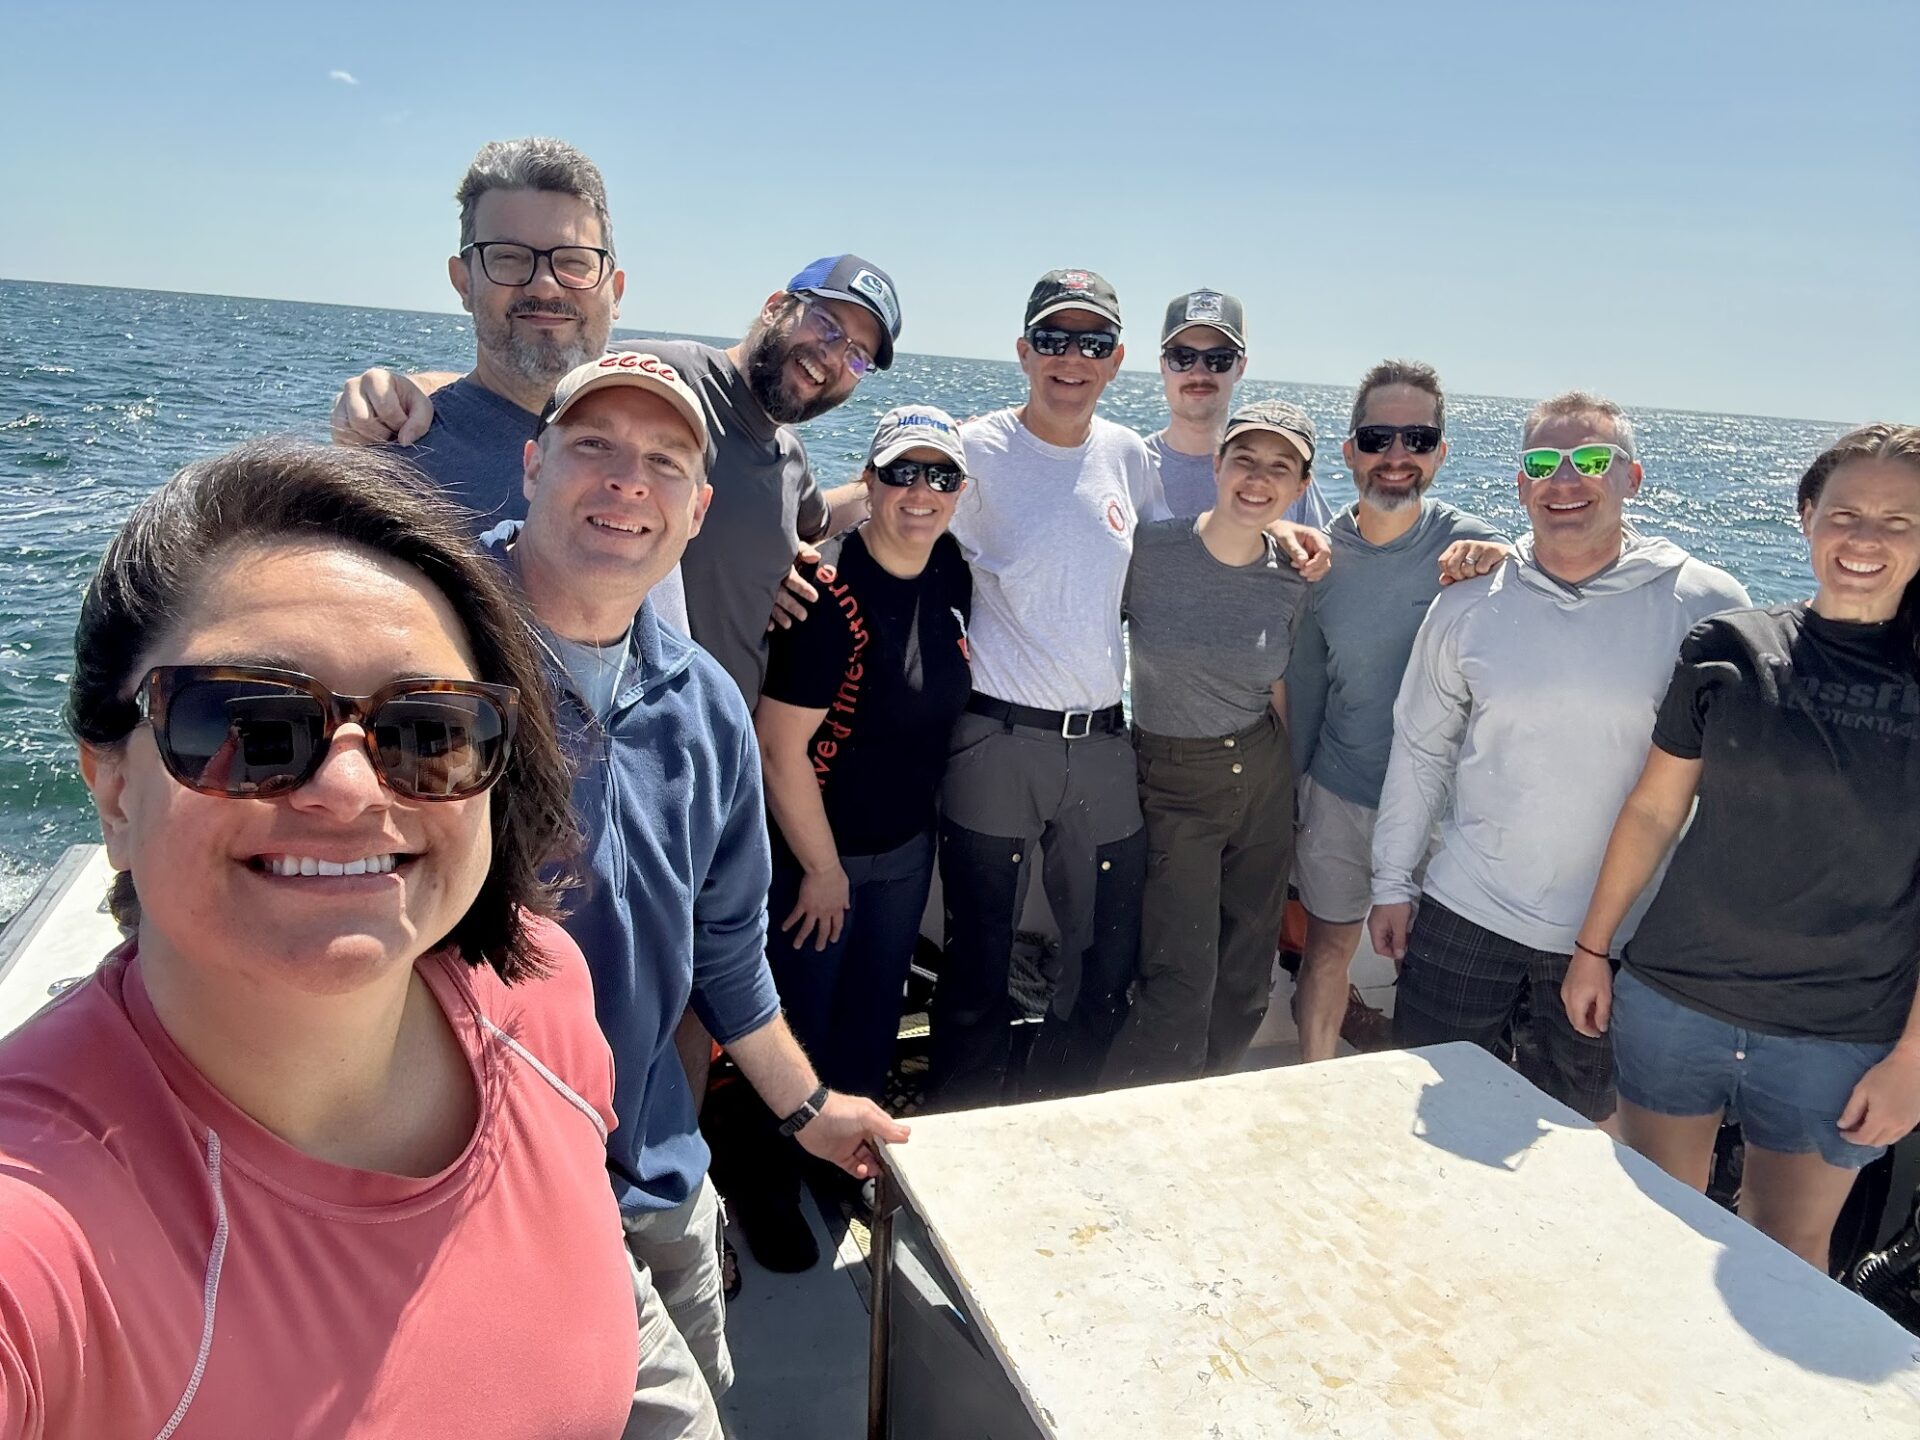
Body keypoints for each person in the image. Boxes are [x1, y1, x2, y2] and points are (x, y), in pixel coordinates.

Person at [0, 440, 665, 1436]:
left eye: (426, 731)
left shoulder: (542, 995)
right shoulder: (44, 1221)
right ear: (113, 789)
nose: (351, 791)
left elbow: (610, 1300)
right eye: (246, 722)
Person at [483, 354, 909, 1399]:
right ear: (533, 465)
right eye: (594, 447)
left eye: (665, 463)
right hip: (488, 1206)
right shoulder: (430, 666)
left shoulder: (707, 703)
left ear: (699, 508)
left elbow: (725, 953)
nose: (629, 482)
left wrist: (812, 1111)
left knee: (705, 1386)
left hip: (661, 1177)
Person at [931, 269, 1329, 1107]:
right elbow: (897, 501)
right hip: (999, 740)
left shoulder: (1124, 456)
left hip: (1107, 746)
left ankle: (1065, 1121)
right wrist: (803, 527)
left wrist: (1281, 524)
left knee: (1103, 967)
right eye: (1052, 339)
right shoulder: (975, 447)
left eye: (1090, 343)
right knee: (977, 964)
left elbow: (1186, 551)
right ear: (1023, 351)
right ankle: (954, 1141)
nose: (1070, 358)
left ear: (1114, 361)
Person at [1563, 423, 1920, 1270]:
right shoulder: (1727, 647)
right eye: (1846, 513)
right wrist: (1592, 949)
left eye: (1898, 522)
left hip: (1837, 1034)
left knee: (1785, 1254)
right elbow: (1653, 811)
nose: (1864, 539)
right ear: (1806, 517)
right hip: (1674, 1000)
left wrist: (1913, 1059)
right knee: (1651, 1229)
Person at [1367, 391, 1749, 1125]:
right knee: (1417, 1118)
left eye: (1592, 461)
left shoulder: (1705, 604)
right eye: (1543, 462)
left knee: (1584, 1140)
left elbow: (1732, 785)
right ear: (1519, 487)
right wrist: (1391, 880)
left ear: (1632, 478)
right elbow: (1421, 747)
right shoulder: (1467, 601)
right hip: (1464, 911)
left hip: (1619, 934)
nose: (1565, 480)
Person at [332, 251, 901, 702]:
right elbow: (530, 389)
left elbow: (820, 519)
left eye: (856, 356)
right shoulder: (671, 377)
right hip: (625, 719)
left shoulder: (790, 456)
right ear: (777, 306)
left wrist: (895, 480)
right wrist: (405, 394)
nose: (831, 357)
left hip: (716, 746)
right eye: (826, 326)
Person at [741, 404, 973, 1267]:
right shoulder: (824, 596)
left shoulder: (952, 570)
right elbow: (779, 746)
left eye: (941, 476)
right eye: (901, 473)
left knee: (870, 1027)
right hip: (818, 860)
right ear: (868, 482)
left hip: (905, 851)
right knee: (795, 1028)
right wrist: (822, 870)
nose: (922, 493)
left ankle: (842, 1162)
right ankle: (764, 1178)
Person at [1286, 360, 1510, 1063]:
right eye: (1378, 437)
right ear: (1350, 451)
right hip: (1342, 793)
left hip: (1450, 813)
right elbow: (1305, 685)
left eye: (1417, 438)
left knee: (1441, 978)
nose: (1396, 457)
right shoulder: (1319, 558)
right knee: (1328, 955)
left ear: (1441, 453)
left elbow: (1567, 583)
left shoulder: (1483, 551)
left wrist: (1508, 554)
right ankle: (1315, 1094)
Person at [1101, 400, 1315, 1086]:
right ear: (1217, 465)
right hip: (1171, 777)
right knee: (1179, 981)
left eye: (1279, 468)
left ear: (1300, 488)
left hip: (1263, 771)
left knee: (1249, 982)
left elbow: (1281, 685)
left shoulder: (1294, 571)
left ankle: (1207, 1112)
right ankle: (1135, 1136)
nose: (1258, 479)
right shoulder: (1150, 551)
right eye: (1245, 460)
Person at [329, 137, 626, 534]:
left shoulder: (671, 439)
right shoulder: (397, 480)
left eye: (573, 261)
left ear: (616, 291)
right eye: (508, 257)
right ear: (463, 282)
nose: (544, 286)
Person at [1145, 289, 1332, 527]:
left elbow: (1327, 557)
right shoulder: (1129, 465)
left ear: (1241, 367)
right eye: (1182, 357)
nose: (1199, 372)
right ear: (1163, 365)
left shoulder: (1284, 475)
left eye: (1218, 358)